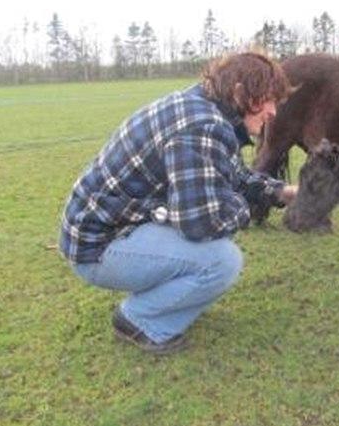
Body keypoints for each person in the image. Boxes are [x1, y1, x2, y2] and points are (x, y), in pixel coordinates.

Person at [59, 52, 297, 354]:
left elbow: (234, 176)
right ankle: (139, 319)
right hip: (98, 249)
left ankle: (162, 301)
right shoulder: (203, 126)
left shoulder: (204, 109)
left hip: (106, 230)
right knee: (222, 260)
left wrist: (282, 192)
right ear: (239, 93)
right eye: (268, 100)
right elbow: (202, 223)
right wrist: (238, 206)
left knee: (217, 237)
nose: (274, 111)